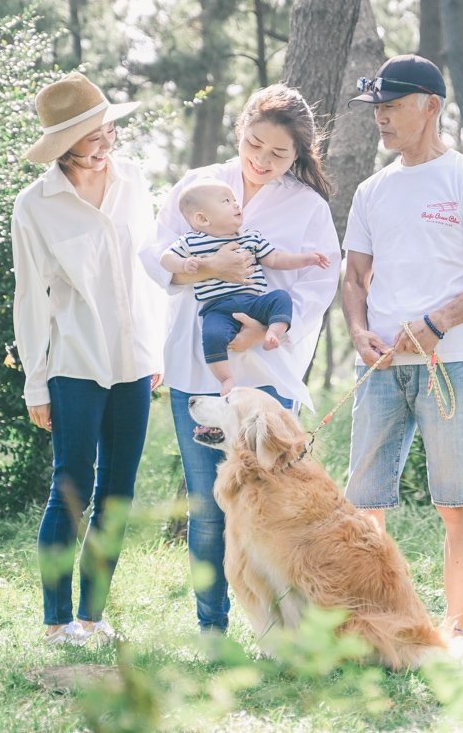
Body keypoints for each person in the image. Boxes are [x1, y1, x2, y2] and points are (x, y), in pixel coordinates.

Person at [141, 84, 340, 634]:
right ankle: (213, 630)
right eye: (255, 145)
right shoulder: (196, 187)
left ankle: (287, 627)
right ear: (240, 131)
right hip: (197, 370)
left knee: (278, 505)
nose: (261, 161)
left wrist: (264, 331)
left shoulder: (307, 206)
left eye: (278, 154)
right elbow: (157, 258)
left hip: (267, 376)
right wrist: (209, 271)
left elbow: (319, 283)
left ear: (298, 155)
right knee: (209, 510)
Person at [341, 54, 463, 637]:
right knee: (365, 507)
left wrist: (437, 323)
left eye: (391, 107)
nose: (381, 119)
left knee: (455, 504)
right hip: (382, 369)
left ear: (431, 106)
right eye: (377, 109)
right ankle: (374, 624)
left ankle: (455, 631)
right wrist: (358, 329)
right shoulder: (372, 190)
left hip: (450, 365)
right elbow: (354, 276)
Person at [12, 72, 164, 646]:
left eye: (109, 132)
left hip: (135, 360)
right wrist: (35, 384)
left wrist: (158, 346)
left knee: (118, 494)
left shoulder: (133, 182)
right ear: (63, 145)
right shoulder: (35, 207)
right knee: (71, 486)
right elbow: (31, 299)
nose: (106, 146)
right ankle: (56, 624)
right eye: (93, 137)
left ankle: (93, 617)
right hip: (73, 362)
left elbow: (150, 269)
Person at [160, 177, 331, 394]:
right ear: (202, 218)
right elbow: (165, 258)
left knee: (280, 298)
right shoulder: (192, 241)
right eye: (226, 201)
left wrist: (306, 259)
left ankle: (273, 333)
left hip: (253, 302)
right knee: (212, 336)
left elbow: (276, 259)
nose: (235, 204)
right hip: (216, 308)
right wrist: (184, 263)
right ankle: (225, 378)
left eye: (234, 199)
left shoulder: (250, 238)